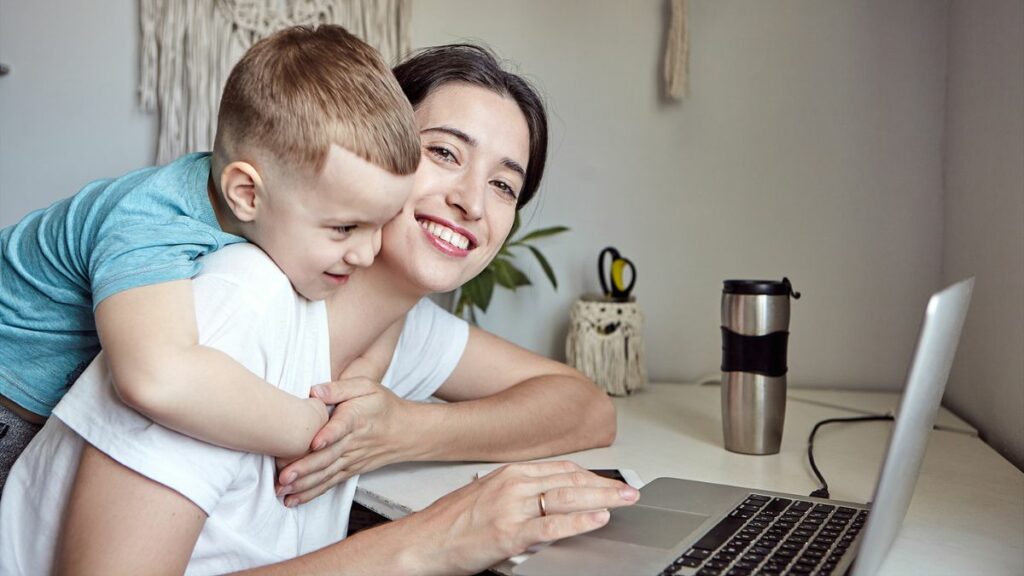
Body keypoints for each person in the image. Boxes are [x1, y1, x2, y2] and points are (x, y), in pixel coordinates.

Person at [0, 44, 631, 574]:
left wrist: (402, 430)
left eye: (504, 185)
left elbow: (584, 408)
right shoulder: (232, 304)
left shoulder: (397, 326)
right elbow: (158, 378)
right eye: (443, 153)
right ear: (370, 147)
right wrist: (432, 537)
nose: (473, 200)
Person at [0, 24, 420, 491]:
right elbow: (155, 378)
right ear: (246, 194)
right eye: (345, 228)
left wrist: (368, 371)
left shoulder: (267, 214)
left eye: (382, 223)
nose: (368, 252)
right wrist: (307, 427)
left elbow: (388, 308)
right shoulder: (153, 220)